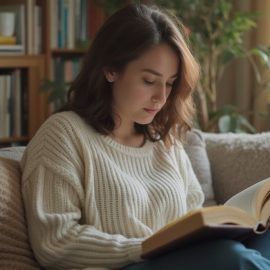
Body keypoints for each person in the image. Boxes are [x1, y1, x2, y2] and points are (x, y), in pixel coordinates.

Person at [21, 3, 270, 270]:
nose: (161, 97)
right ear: (110, 69)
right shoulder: (63, 134)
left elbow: (194, 214)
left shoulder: (164, 139)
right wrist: (142, 248)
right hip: (130, 265)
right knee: (232, 258)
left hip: (186, 259)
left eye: (170, 83)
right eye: (149, 81)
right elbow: (55, 242)